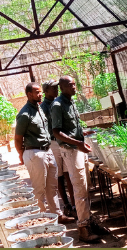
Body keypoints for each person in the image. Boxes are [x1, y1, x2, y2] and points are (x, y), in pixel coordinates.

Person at [14, 82, 75, 224]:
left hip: (47, 151)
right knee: (39, 189)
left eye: (41, 92)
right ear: (29, 94)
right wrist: (21, 154)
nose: (40, 94)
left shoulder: (39, 109)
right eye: (37, 92)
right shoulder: (24, 114)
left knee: (52, 188)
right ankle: (42, 219)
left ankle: (57, 216)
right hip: (35, 153)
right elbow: (17, 139)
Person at [50, 76, 100, 243]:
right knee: (79, 189)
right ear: (62, 87)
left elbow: (71, 127)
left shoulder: (70, 102)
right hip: (71, 151)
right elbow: (56, 132)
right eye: (70, 85)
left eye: (74, 84)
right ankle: (83, 228)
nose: (74, 87)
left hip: (79, 149)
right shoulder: (57, 105)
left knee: (86, 188)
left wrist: (83, 134)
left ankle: (89, 221)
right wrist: (78, 142)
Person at [40, 80, 77, 218]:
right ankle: (67, 204)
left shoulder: (60, 102)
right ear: (46, 91)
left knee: (68, 173)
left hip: (64, 141)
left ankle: (74, 205)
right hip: (54, 142)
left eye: (57, 88)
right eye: (53, 88)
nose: (56, 90)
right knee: (59, 175)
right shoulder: (44, 107)